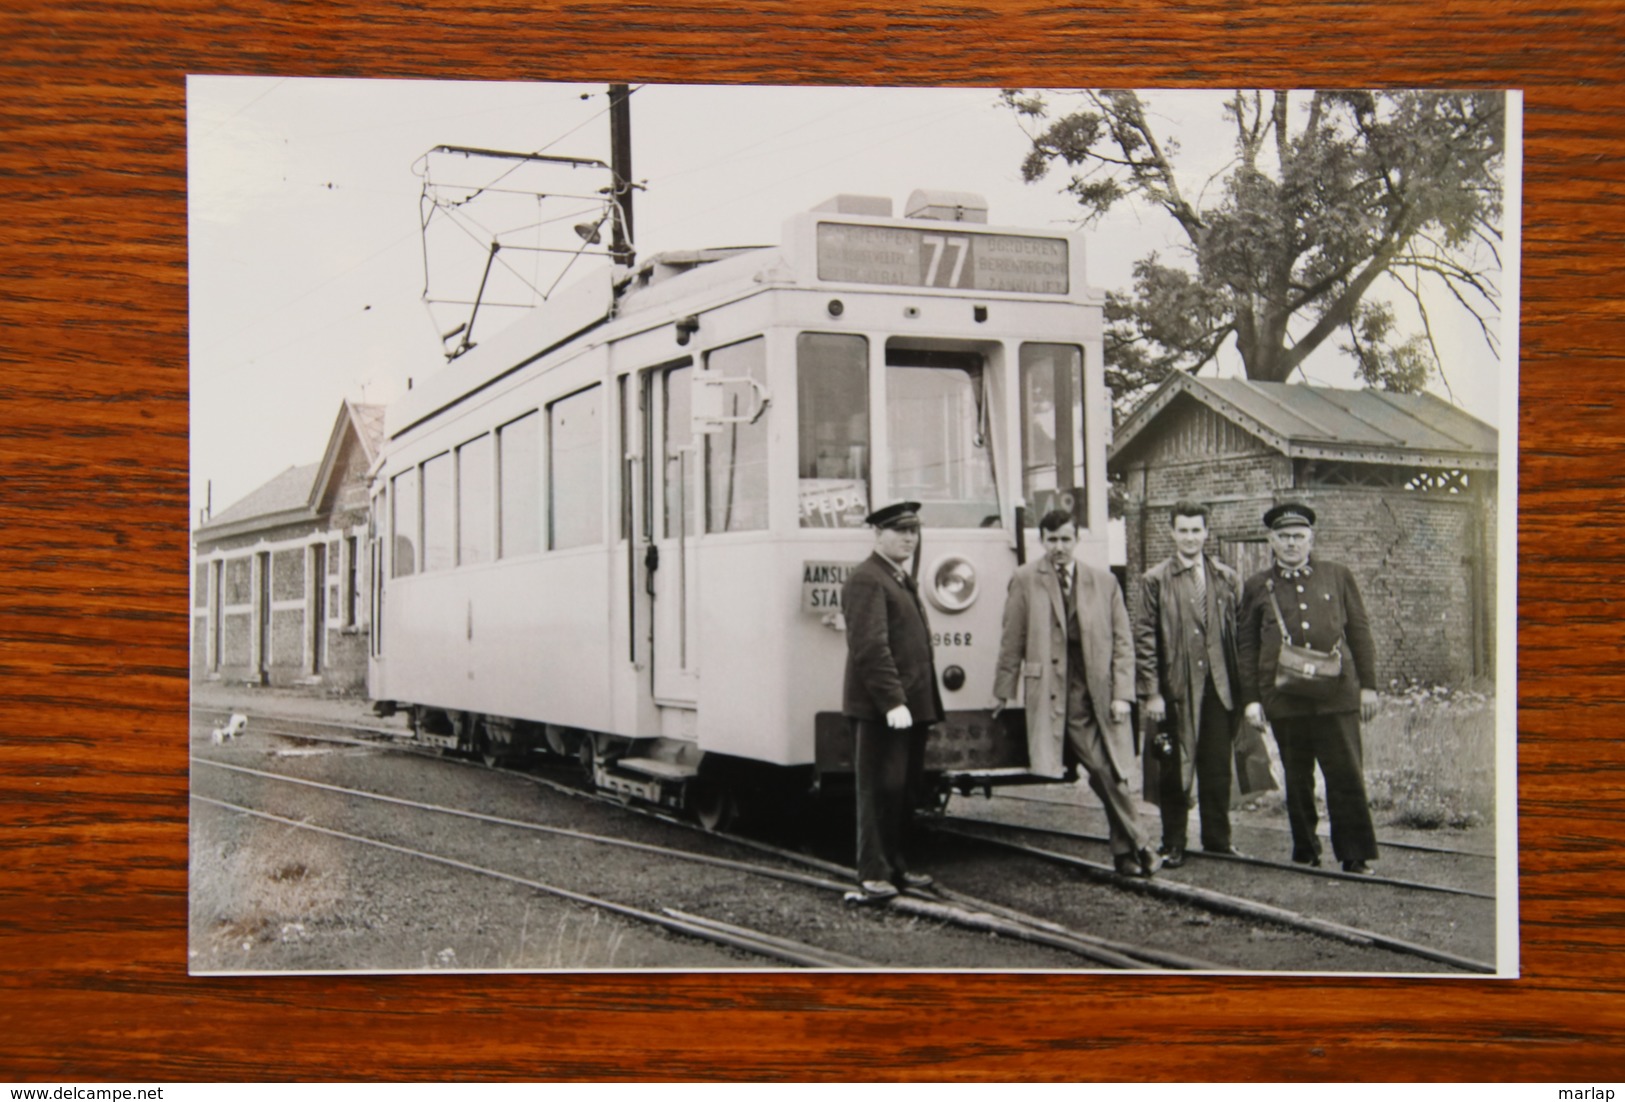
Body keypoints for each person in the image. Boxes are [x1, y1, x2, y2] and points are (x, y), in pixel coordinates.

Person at [992, 509, 1160, 878]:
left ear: (1076, 540)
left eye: (1066, 539)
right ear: (1042, 541)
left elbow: (1122, 642)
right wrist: (1002, 691)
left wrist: (1122, 693)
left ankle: (1127, 852)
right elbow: (1012, 638)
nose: (1059, 548)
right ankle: (1142, 842)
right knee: (1102, 767)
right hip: (1055, 695)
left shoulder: (1104, 582)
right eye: (1051, 540)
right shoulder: (1024, 579)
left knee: (1111, 772)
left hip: (1098, 691)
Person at [1236, 502, 1381, 874]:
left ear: (1311, 538)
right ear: (1271, 540)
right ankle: (1306, 851)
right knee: (1296, 778)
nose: (1291, 544)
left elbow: (1360, 633)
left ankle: (1355, 854)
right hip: (1285, 698)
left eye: (1298, 537)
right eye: (1283, 537)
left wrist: (1369, 687)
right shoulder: (1257, 586)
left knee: (1346, 774)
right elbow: (1247, 646)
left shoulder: (1337, 575)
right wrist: (1251, 700)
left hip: (1338, 696)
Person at [1134, 500, 1245, 868]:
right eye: (1183, 530)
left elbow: (1237, 636)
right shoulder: (1155, 580)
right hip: (1175, 691)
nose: (1190, 537)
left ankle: (1217, 838)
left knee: (1216, 765)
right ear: (1172, 532)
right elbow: (1145, 640)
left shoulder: (1225, 578)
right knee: (1174, 768)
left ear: (1207, 533)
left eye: (1197, 530)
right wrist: (1152, 693)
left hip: (1219, 687)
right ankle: (1173, 842)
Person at [841, 501, 943, 900]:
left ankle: (897, 867)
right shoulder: (868, 579)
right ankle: (872, 873)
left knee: (902, 791)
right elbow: (870, 648)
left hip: (909, 706)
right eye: (899, 530)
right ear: (877, 534)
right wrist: (892, 701)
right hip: (883, 708)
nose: (908, 538)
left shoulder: (896, 577)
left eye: (914, 531)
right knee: (878, 791)